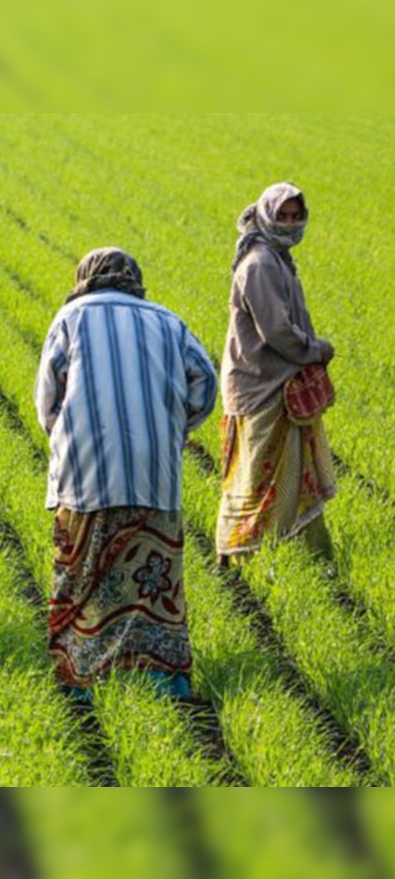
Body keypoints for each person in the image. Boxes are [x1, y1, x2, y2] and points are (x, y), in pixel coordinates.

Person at [35, 248, 217, 699]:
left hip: (86, 474)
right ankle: (160, 678)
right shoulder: (167, 321)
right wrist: (173, 428)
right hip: (155, 473)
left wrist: (65, 434)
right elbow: (206, 382)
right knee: (150, 579)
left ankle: (81, 677)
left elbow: (46, 400)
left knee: (84, 575)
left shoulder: (71, 317)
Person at [217, 182, 336, 564]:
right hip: (262, 387)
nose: (289, 223)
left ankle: (307, 556)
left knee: (292, 473)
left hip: (276, 383)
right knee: (255, 478)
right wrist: (316, 350)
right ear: (266, 214)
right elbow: (277, 332)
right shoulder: (261, 264)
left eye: (295, 215)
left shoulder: (276, 256)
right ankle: (236, 552)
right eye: (281, 215)